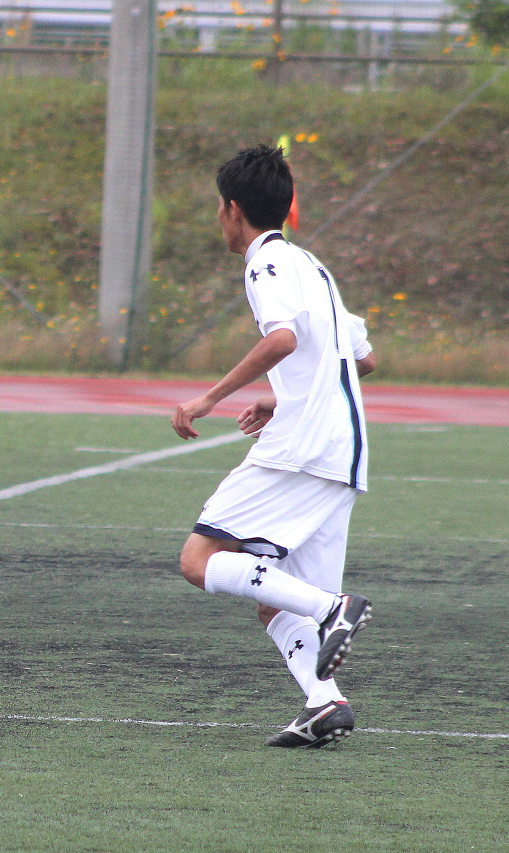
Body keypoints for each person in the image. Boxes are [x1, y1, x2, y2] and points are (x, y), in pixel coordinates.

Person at [171, 144, 376, 749]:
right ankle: (324, 703)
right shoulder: (315, 268)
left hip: (301, 450)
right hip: (341, 450)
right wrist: (281, 399)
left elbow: (284, 338)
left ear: (233, 209)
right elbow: (361, 357)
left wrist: (210, 397)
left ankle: (332, 608)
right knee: (272, 600)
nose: (218, 217)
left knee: (198, 561)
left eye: (219, 206)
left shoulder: (265, 264)